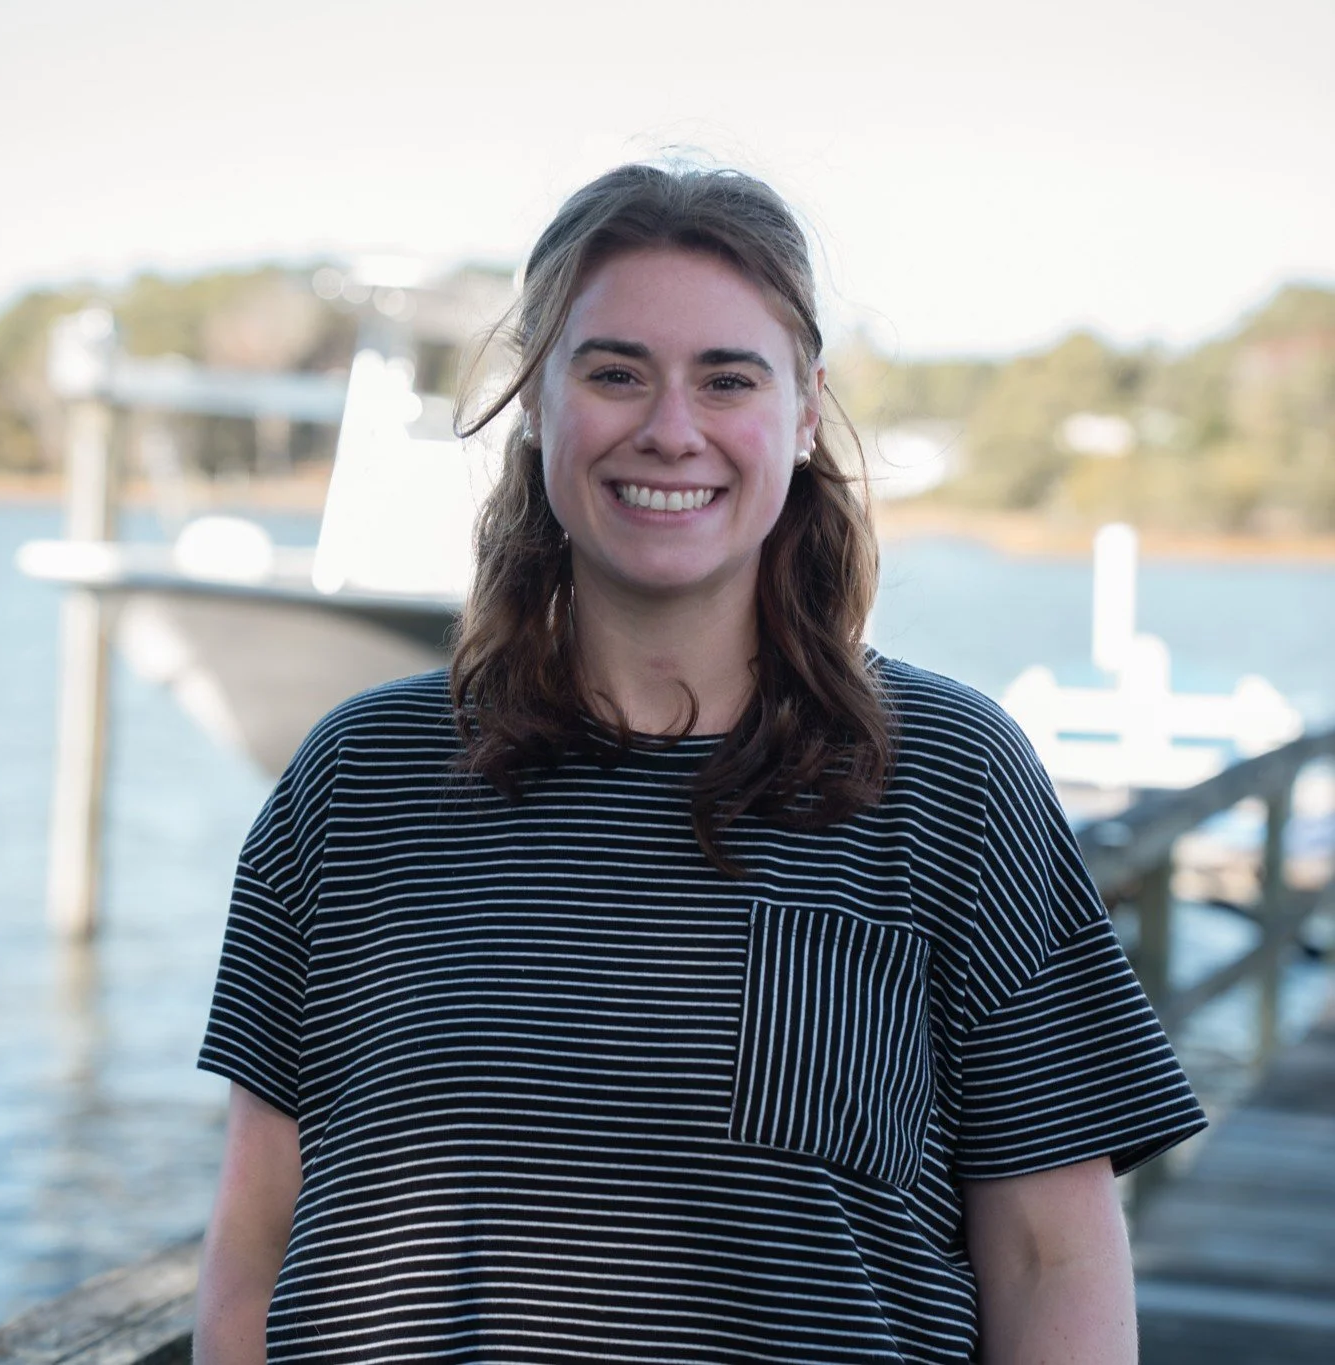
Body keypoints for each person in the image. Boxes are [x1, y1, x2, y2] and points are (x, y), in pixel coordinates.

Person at [194, 163, 1206, 1364]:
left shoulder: (946, 779)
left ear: (805, 409)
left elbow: (1056, 1258)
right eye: (614, 371)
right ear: (536, 400)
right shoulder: (358, 780)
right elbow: (257, 1237)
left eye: (728, 378)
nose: (670, 428)